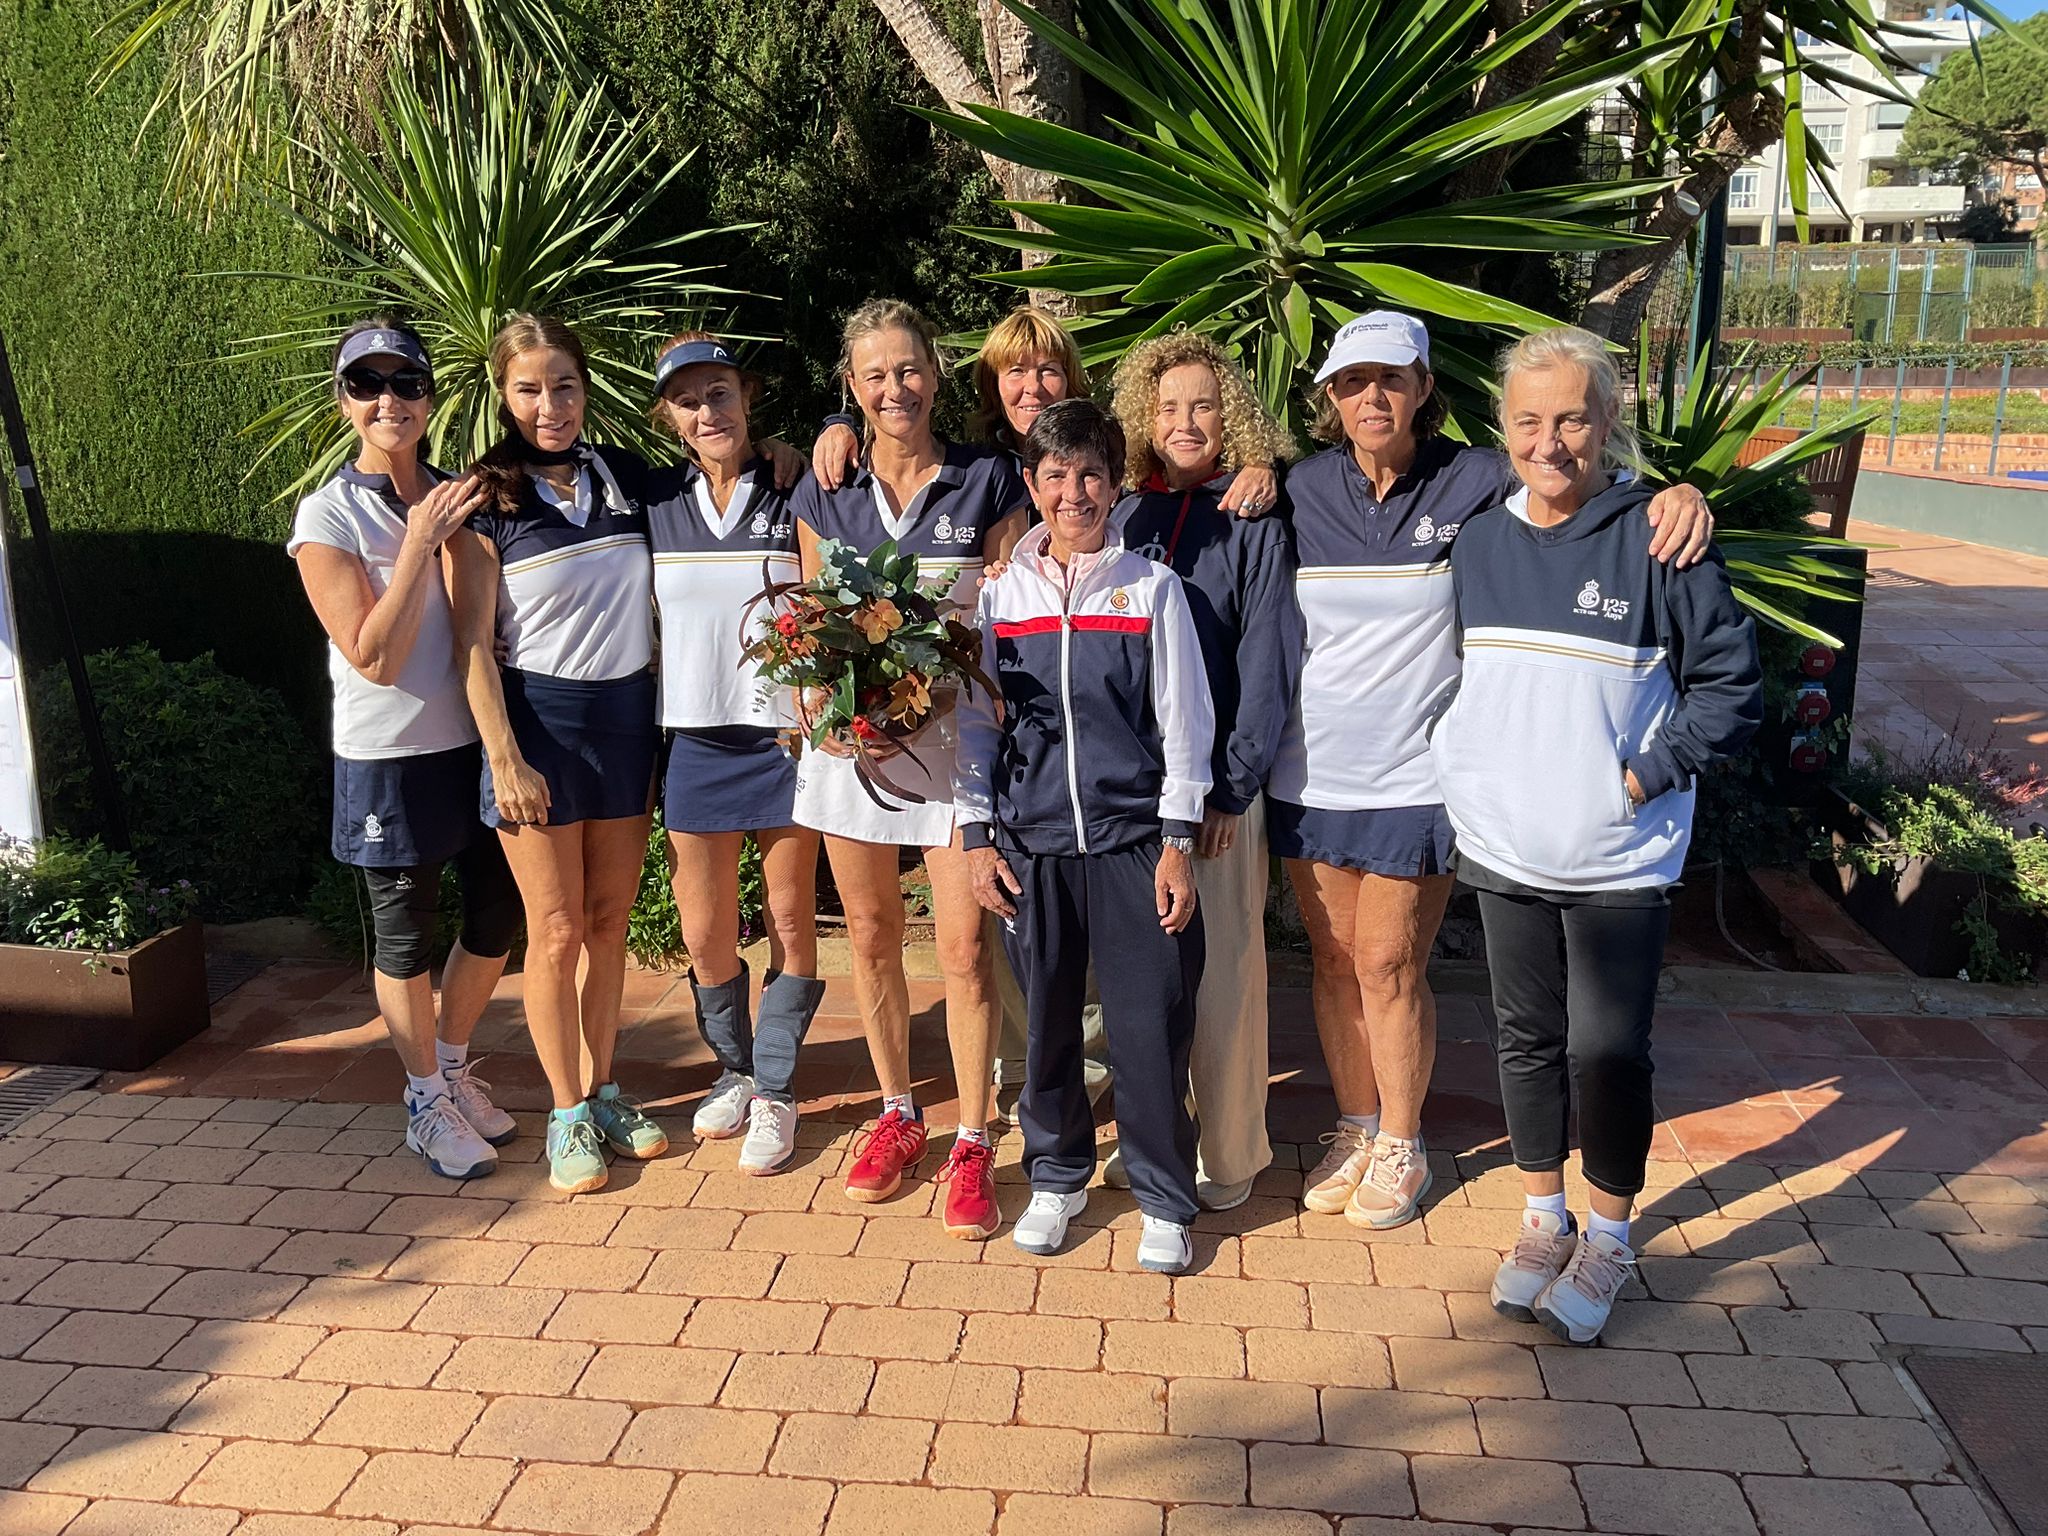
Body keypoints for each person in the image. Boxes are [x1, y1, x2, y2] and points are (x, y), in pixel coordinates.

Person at [1269, 311, 1715, 1231]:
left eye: (1390, 379)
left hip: (1419, 778)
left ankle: (1403, 1139)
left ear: (1425, 389)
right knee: (1332, 958)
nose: (1371, 398)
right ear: (1331, 399)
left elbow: (1580, 485)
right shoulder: (1298, 488)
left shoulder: (1475, 476)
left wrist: (1683, 491)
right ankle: (1356, 1126)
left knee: (1390, 962)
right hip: (1308, 775)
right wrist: (1240, 475)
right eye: (1352, 383)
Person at [811, 306, 1281, 1122]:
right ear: (992, 387)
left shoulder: (1111, 486)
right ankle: (1031, 1104)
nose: (1032, 386)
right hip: (1001, 774)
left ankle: (1179, 1133)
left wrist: (1264, 461)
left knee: (1140, 966)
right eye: (1014, 372)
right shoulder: (985, 470)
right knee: (1015, 962)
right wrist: (829, 426)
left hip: (1130, 778)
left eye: (1049, 369)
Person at [1432, 326, 1761, 1343]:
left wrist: (1644, 772)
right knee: (1525, 1044)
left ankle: (1610, 1241)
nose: (1550, 440)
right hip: (1502, 844)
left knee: (1607, 1050)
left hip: (1618, 853)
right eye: (1528, 420)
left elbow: (1730, 685)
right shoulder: (1479, 540)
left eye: (1571, 417)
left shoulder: (1656, 538)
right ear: (1502, 430)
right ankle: (1541, 1221)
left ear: (1607, 422)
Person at [789, 299, 1029, 1240]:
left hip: (958, 755)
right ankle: (899, 1113)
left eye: (910, 369)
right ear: (851, 387)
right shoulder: (827, 489)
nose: (896, 389)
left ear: (936, 373)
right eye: (874, 375)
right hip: (855, 754)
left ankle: (972, 1136)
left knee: (967, 951)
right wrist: (832, 705)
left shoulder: (990, 482)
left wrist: (937, 696)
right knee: (874, 937)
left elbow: (1003, 625)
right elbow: (812, 621)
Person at [957, 398, 1214, 1274]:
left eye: (1092, 475)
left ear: (1115, 485)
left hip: (1133, 841)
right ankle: (1059, 1176)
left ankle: (1162, 1195)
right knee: (1049, 1031)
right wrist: (976, 835)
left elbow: (1185, 723)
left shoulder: (1151, 588)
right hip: (1030, 845)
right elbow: (978, 726)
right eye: (1056, 476)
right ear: (1031, 487)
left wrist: (1178, 836)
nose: (1075, 493)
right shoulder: (1001, 598)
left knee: (1148, 1027)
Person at [288, 319, 522, 1181]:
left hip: (472, 744)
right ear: (345, 400)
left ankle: (452, 1068)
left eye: (406, 383)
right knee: (406, 940)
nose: (389, 400)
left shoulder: (461, 492)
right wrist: (419, 543)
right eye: (366, 384)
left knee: (499, 915)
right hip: (386, 756)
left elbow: (480, 616)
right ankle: (423, 1098)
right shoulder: (328, 512)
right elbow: (373, 656)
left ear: (429, 397)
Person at [447, 313, 668, 1195]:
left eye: (564, 385)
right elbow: (469, 645)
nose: (550, 405)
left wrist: (791, 446)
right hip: (537, 732)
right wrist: (503, 757)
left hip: (626, 727)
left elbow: (727, 464)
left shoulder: (624, 476)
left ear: (587, 385)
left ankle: (605, 1087)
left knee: (610, 925)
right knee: (558, 929)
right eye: (530, 389)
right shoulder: (486, 499)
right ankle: (567, 1111)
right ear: (503, 395)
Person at [1106, 331, 1301, 1212]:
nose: (1186, 422)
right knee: (1146, 982)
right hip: (1130, 791)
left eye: (1205, 405)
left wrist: (1233, 784)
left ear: (1235, 417)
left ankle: (1227, 1155)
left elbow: (1267, 660)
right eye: (1169, 406)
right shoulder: (1121, 513)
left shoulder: (1252, 517)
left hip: (1218, 794)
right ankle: (1154, 1138)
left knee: (1224, 979)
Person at [645, 331, 824, 1176]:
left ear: (747, 398)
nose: (706, 411)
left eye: (720, 393)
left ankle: (779, 1089)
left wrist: (821, 435)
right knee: (707, 930)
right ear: (669, 416)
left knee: (791, 921)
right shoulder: (651, 500)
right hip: (695, 740)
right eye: (688, 399)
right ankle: (737, 1067)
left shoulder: (797, 488)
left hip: (782, 738)